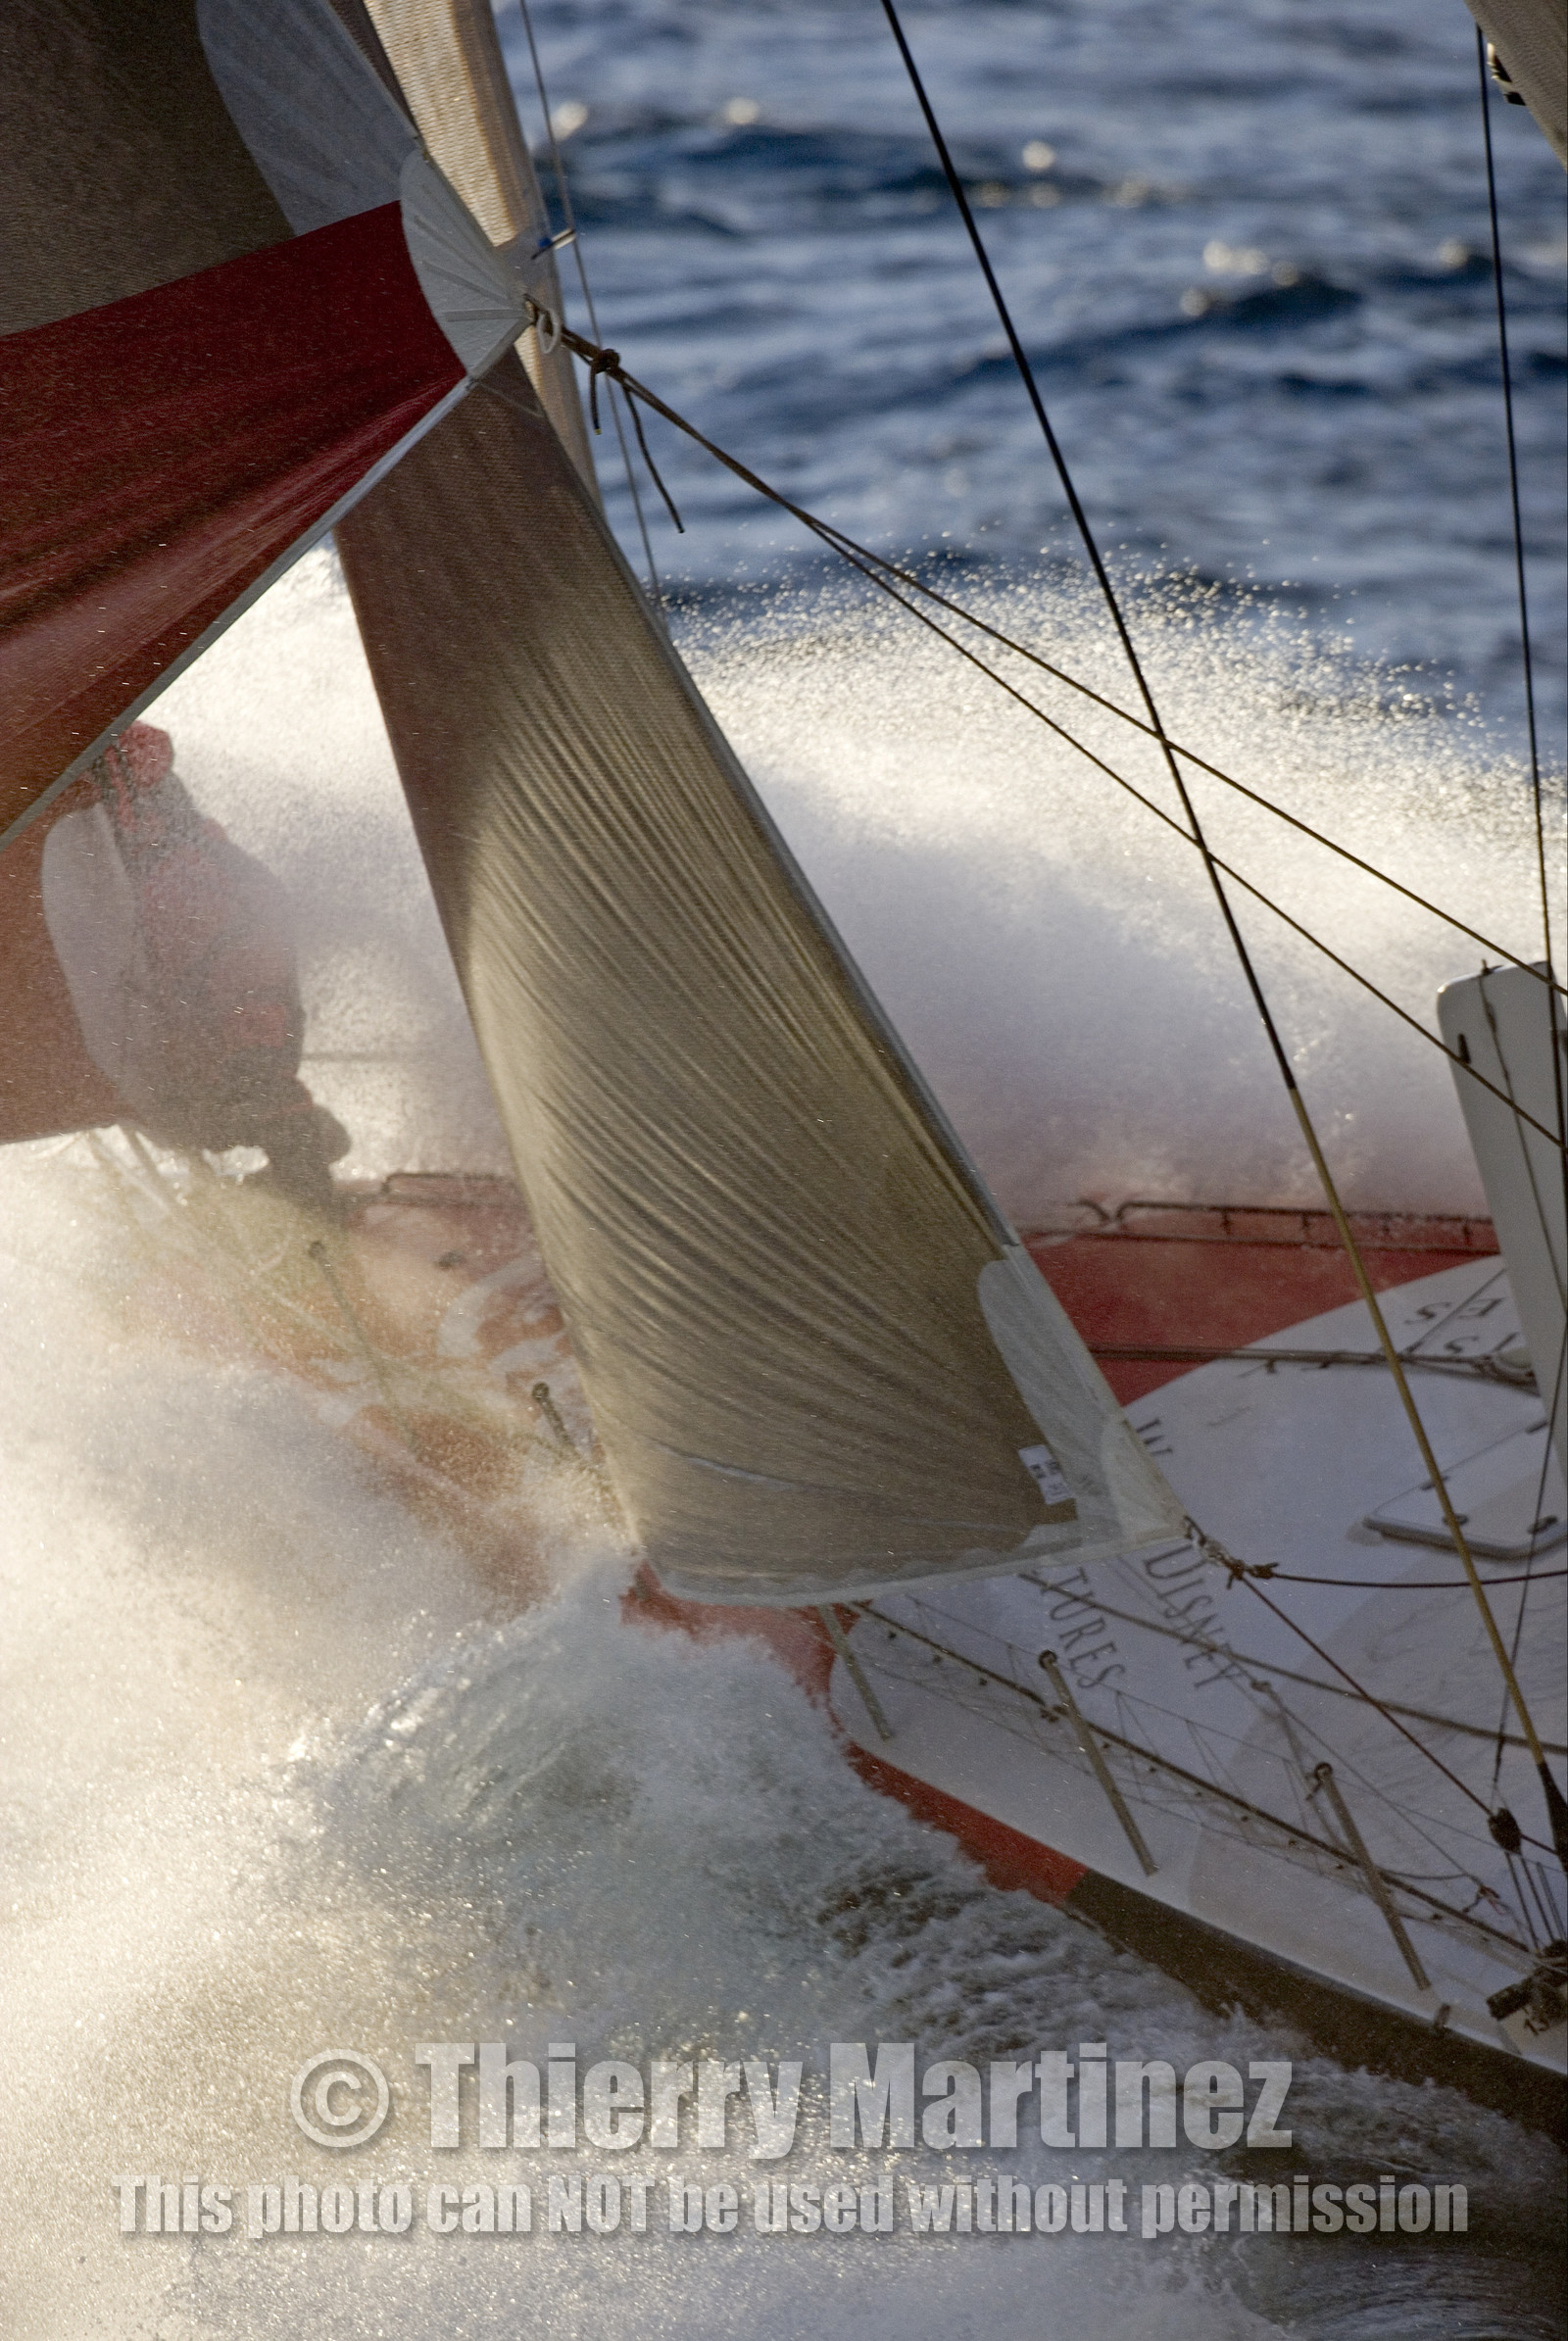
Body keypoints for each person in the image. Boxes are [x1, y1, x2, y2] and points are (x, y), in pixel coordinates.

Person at [1, 719, 346, 1208]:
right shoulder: (179, 874)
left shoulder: (192, 887)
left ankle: (307, 1200)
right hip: (196, 1029)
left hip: (211, 1021)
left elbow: (245, 980)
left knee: (251, 1076)